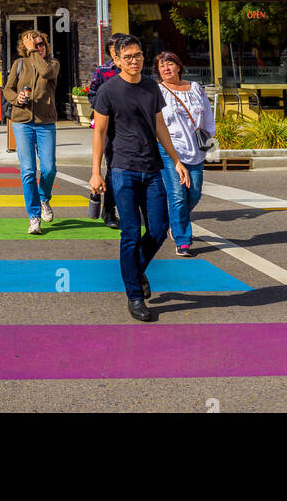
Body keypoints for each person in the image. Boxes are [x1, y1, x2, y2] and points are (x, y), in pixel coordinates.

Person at [91, 34, 190, 323]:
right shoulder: (108, 91)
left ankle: (136, 270)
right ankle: (135, 295)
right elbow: (98, 132)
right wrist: (96, 171)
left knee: (159, 229)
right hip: (123, 169)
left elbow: (160, 125)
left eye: (138, 55)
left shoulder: (151, 87)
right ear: (118, 60)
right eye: (128, 57)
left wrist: (176, 160)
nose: (134, 61)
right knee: (131, 234)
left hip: (153, 167)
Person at [154, 51, 215, 255]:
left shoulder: (195, 88)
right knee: (178, 196)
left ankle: (175, 220)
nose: (166, 68)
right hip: (170, 150)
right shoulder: (158, 91)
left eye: (170, 64)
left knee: (195, 193)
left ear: (178, 66)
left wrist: (208, 146)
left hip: (195, 151)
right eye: (162, 66)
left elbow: (207, 118)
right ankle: (183, 239)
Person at [3, 30, 60, 235]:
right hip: (22, 122)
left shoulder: (52, 64)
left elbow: (45, 73)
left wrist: (32, 52)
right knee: (28, 171)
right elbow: (7, 89)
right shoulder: (19, 64)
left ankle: (44, 197)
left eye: (41, 44)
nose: (39, 48)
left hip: (46, 123)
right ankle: (34, 216)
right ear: (25, 48)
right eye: (35, 45)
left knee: (49, 169)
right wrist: (15, 98)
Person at [87, 37, 121, 228]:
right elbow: (92, 94)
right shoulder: (103, 71)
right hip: (110, 127)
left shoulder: (132, 70)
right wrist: (105, 110)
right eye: (115, 47)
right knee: (112, 168)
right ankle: (109, 212)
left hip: (132, 129)